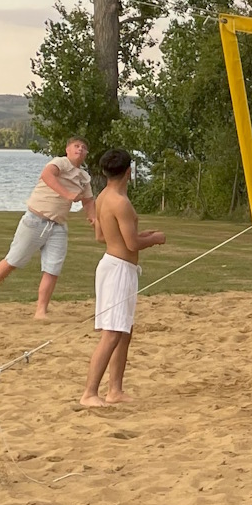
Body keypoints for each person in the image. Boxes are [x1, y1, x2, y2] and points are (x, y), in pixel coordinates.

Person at [81, 149, 165, 407]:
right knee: (112, 333)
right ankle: (90, 393)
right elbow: (131, 243)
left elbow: (101, 236)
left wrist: (142, 235)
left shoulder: (103, 196)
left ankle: (115, 389)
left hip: (114, 266)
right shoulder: (120, 201)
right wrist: (154, 239)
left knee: (123, 331)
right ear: (128, 172)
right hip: (118, 269)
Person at [0, 137, 95, 318]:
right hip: (35, 219)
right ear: (67, 149)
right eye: (76, 146)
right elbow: (47, 175)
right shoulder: (60, 163)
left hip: (58, 225)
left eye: (84, 147)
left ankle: (41, 310)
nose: (80, 149)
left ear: (87, 154)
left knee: (53, 268)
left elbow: (88, 201)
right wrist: (67, 194)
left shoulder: (84, 177)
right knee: (13, 260)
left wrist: (94, 220)